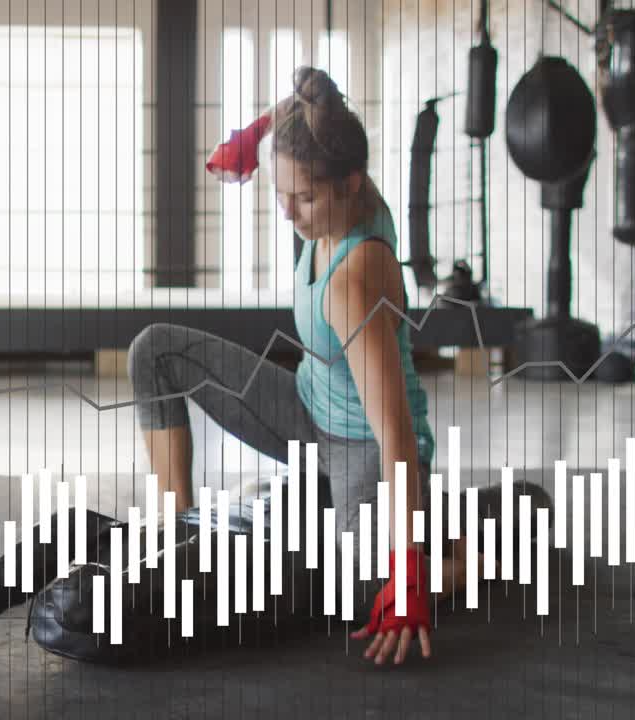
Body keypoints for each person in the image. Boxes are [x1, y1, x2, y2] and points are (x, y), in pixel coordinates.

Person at [128, 67, 445, 666]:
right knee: (154, 351)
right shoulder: (332, 186)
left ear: (352, 184)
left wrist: (405, 580)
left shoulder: (358, 275)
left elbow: (397, 437)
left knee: (358, 595)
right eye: (281, 195)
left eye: (304, 197)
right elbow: (310, 112)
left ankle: (461, 560)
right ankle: (177, 529)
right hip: (304, 408)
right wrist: (253, 136)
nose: (291, 214)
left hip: (365, 447)